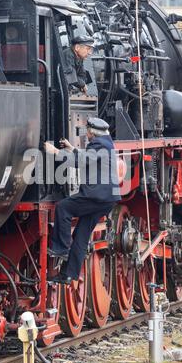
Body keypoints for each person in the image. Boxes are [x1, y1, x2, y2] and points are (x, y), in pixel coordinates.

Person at [44, 117, 121, 285]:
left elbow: (82, 162)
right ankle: (68, 275)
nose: (86, 134)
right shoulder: (106, 143)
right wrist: (72, 149)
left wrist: (55, 152)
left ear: (93, 132)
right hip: (106, 199)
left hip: (97, 196)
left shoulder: (99, 144)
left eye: (88, 131)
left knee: (63, 208)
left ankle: (61, 249)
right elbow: (89, 157)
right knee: (81, 236)